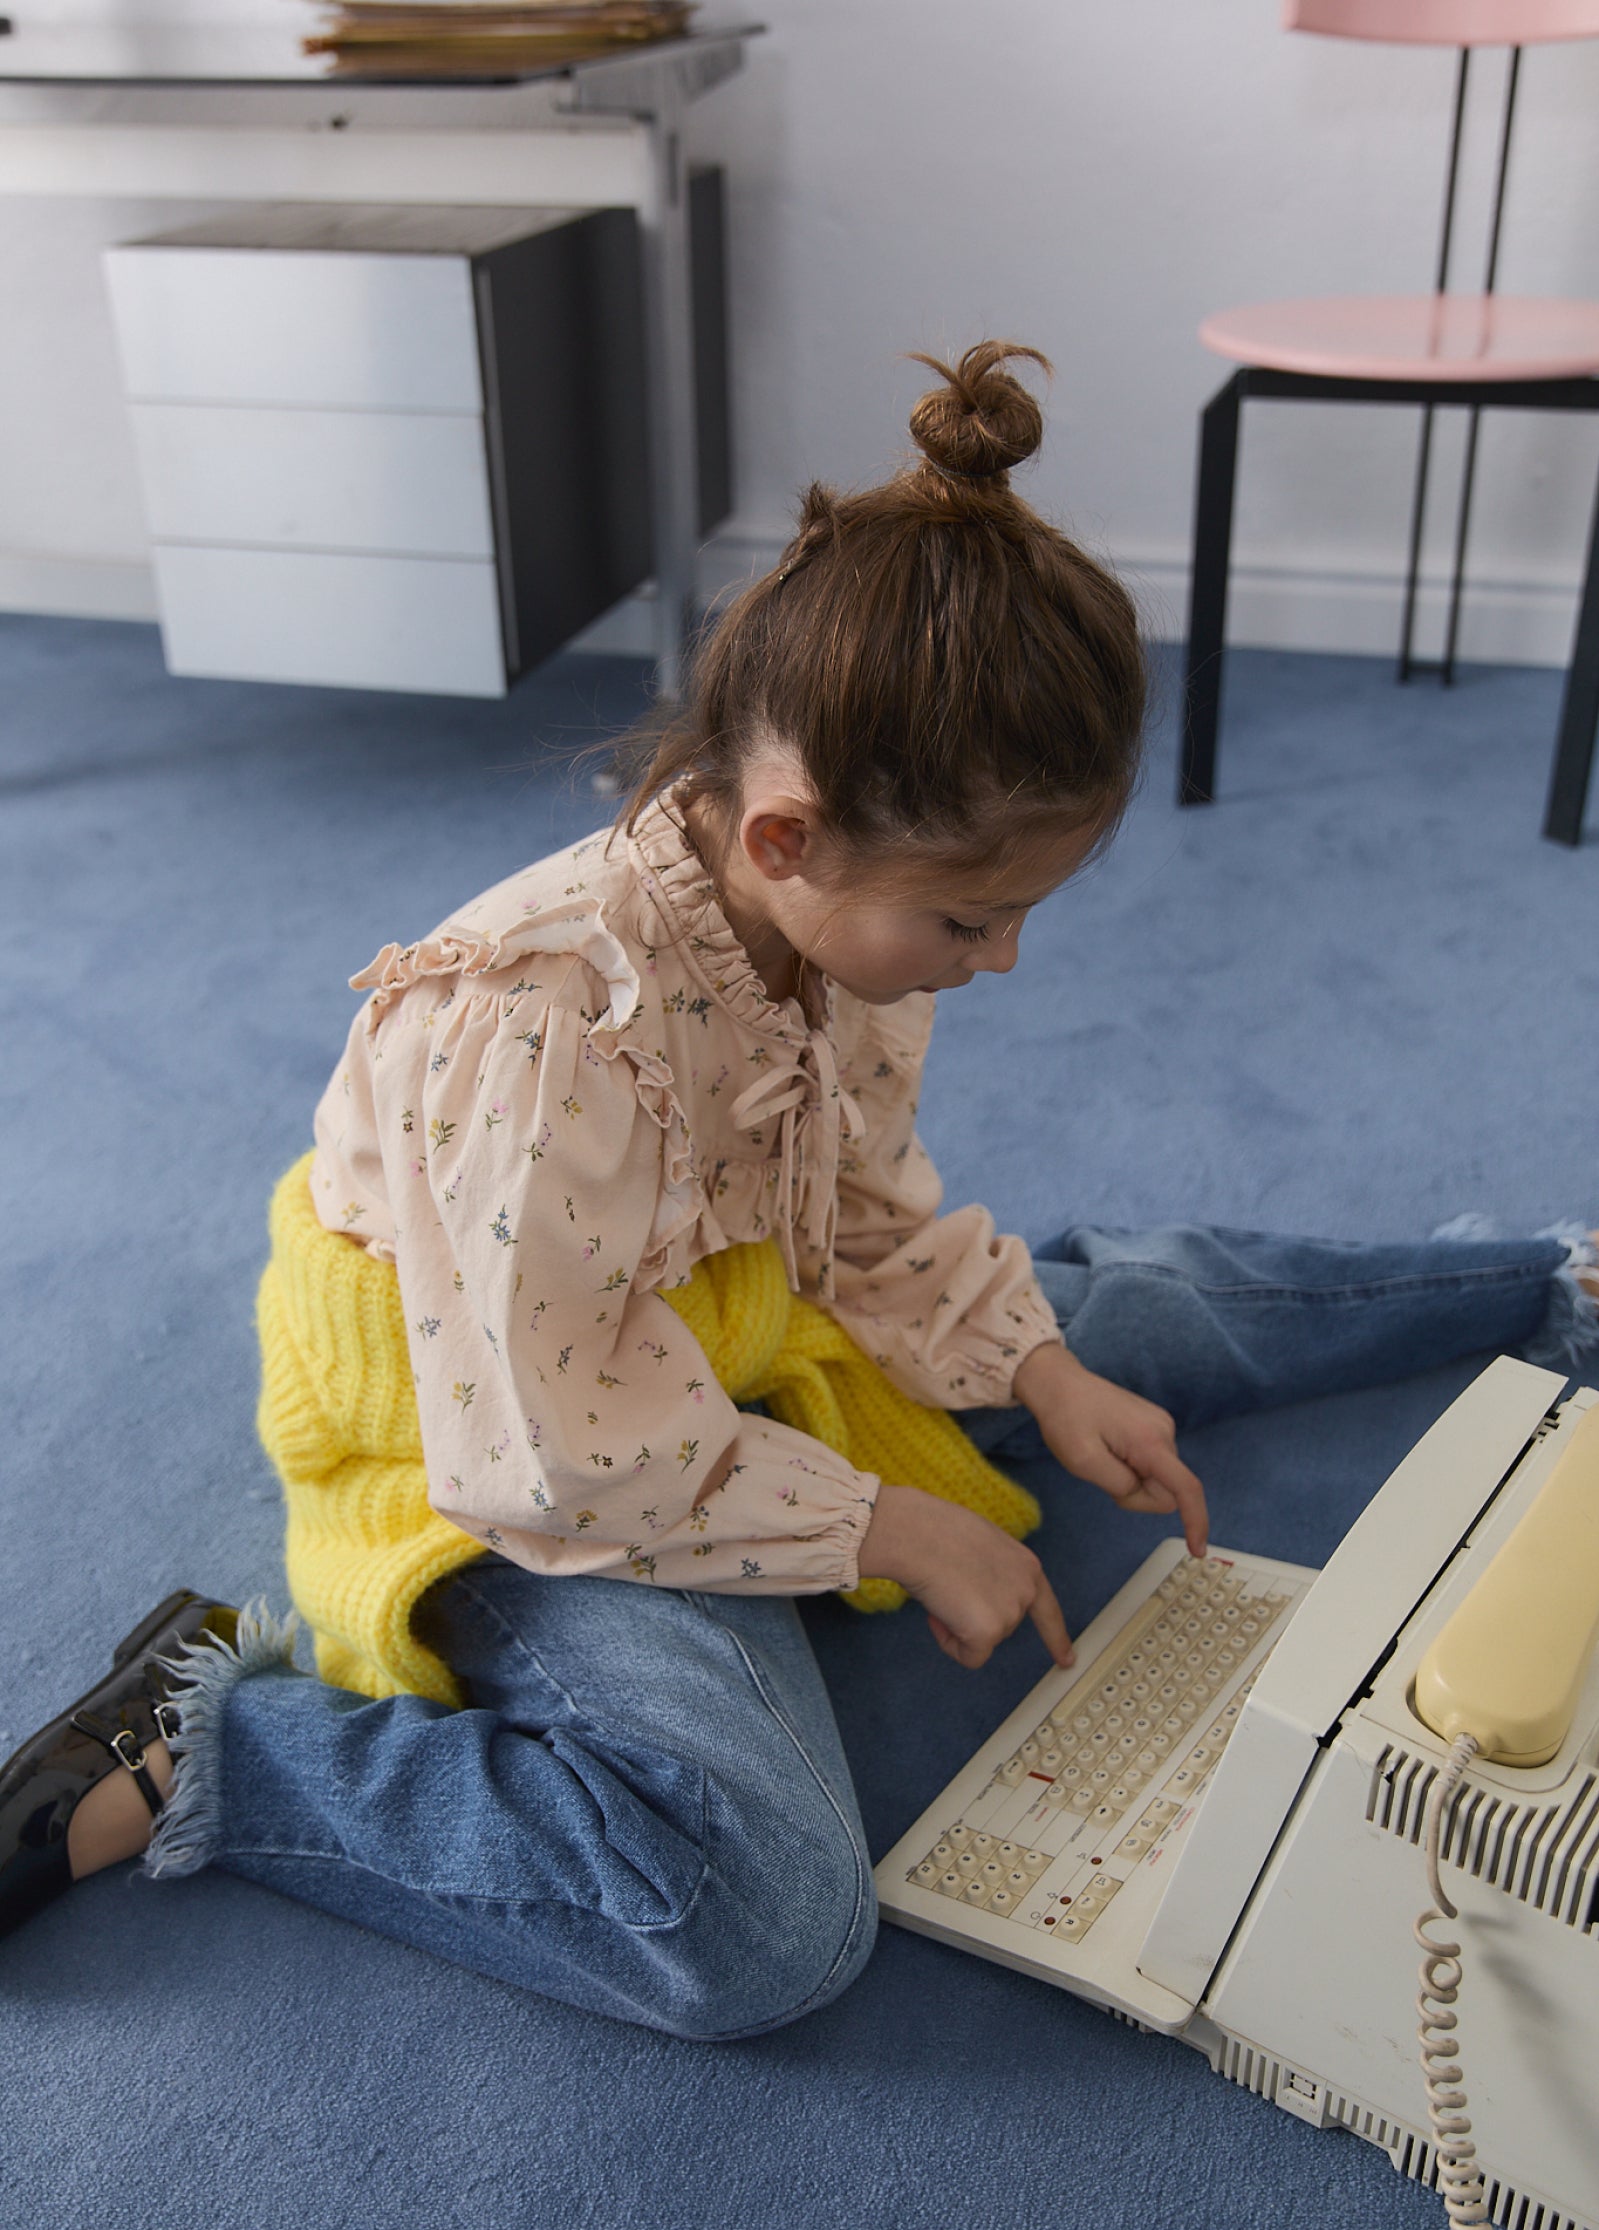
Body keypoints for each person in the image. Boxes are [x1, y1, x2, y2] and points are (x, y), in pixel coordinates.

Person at [3, 343, 1594, 2037]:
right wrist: (884, 1522)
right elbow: (558, 1451)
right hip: (502, 1437)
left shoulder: (848, 939)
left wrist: (1039, 1370)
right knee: (763, 1920)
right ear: (782, 837)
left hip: (731, 1324)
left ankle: (1554, 1278)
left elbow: (869, 1222)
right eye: (970, 922)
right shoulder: (535, 1038)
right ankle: (218, 1748)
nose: (999, 965)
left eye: (1023, 915)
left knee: (1096, 1319)